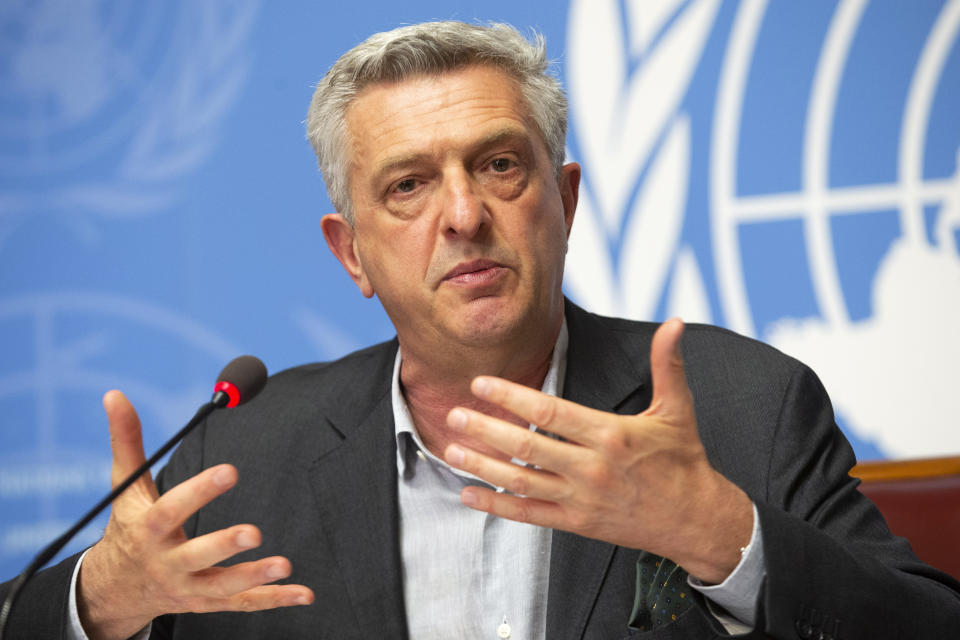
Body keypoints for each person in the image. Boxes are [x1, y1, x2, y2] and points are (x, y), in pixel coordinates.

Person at [2, 21, 959, 640]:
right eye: (408, 186)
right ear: (352, 255)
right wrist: (99, 603)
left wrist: (722, 538)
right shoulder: (243, 448)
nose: (462, 215)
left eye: (500, 164)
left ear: (565, 200)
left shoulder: (745, 402)